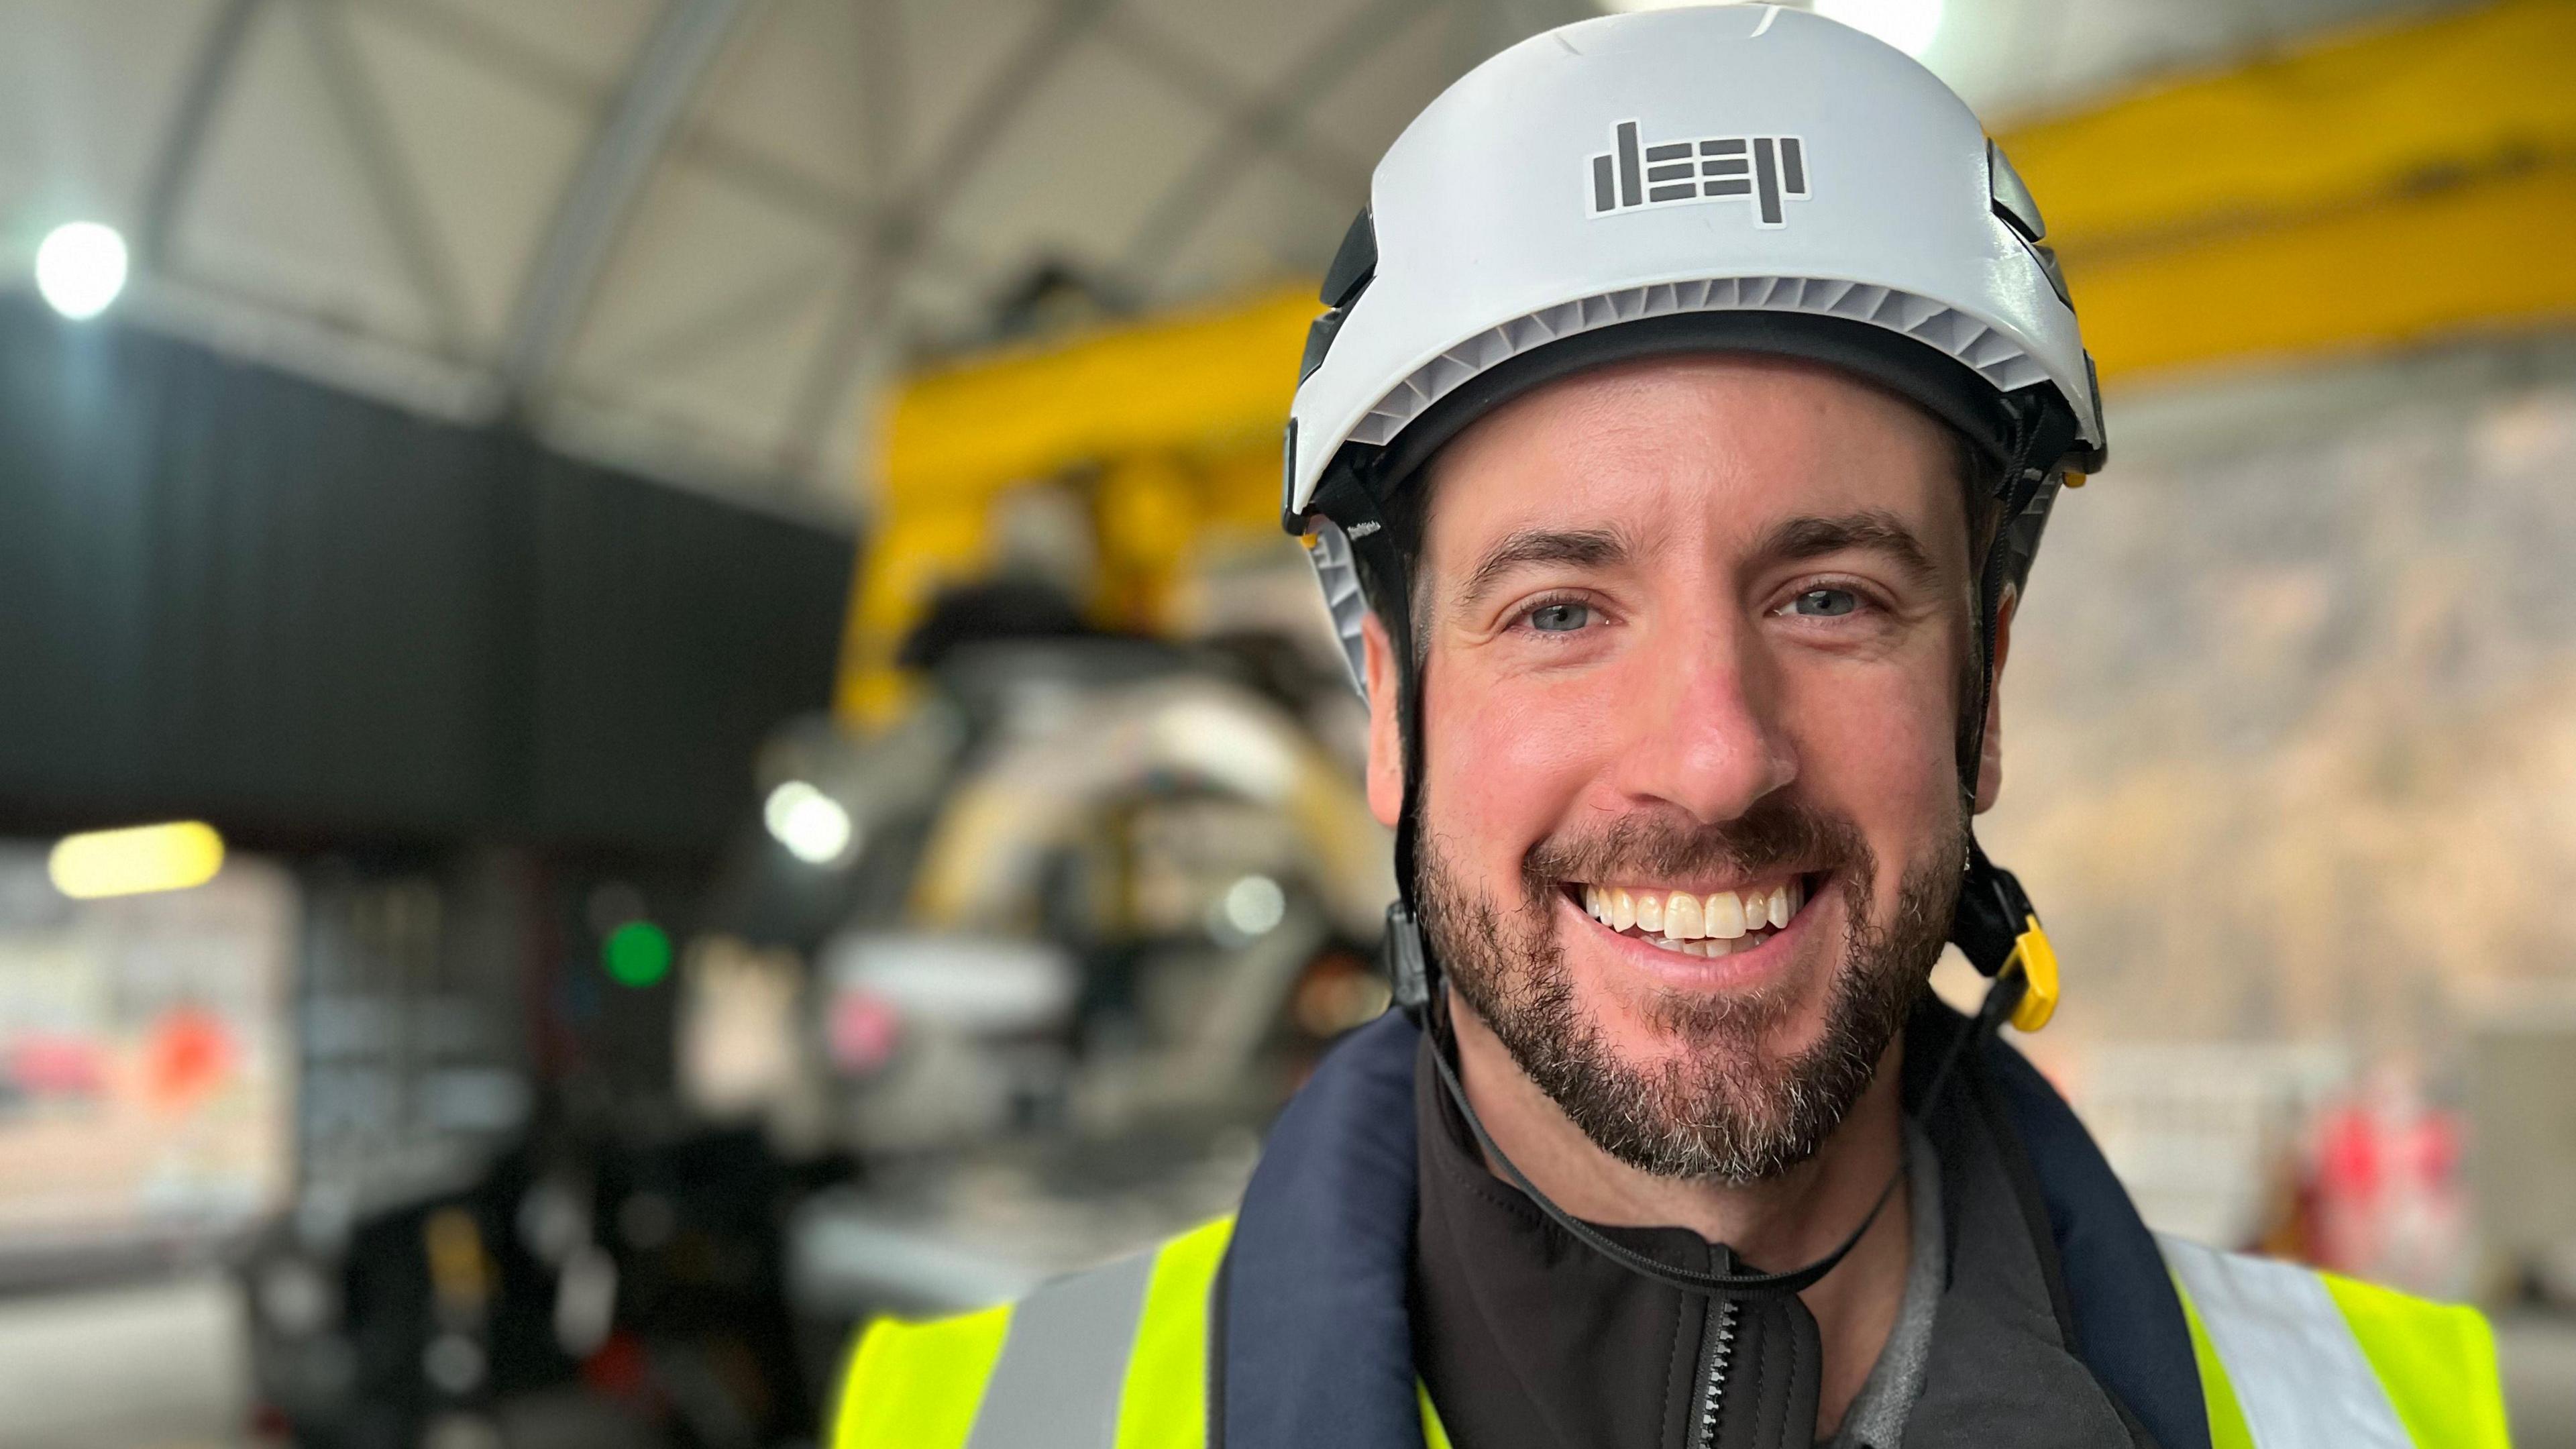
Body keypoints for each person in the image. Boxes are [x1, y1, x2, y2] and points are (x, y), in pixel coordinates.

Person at [833, 9, 2512, 1448]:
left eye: (1830, 598)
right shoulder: (979, 1415)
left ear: (1980, 693)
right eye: (1561, 612)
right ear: (1396, 722)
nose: (1714, 760)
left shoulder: (2371, 1410)